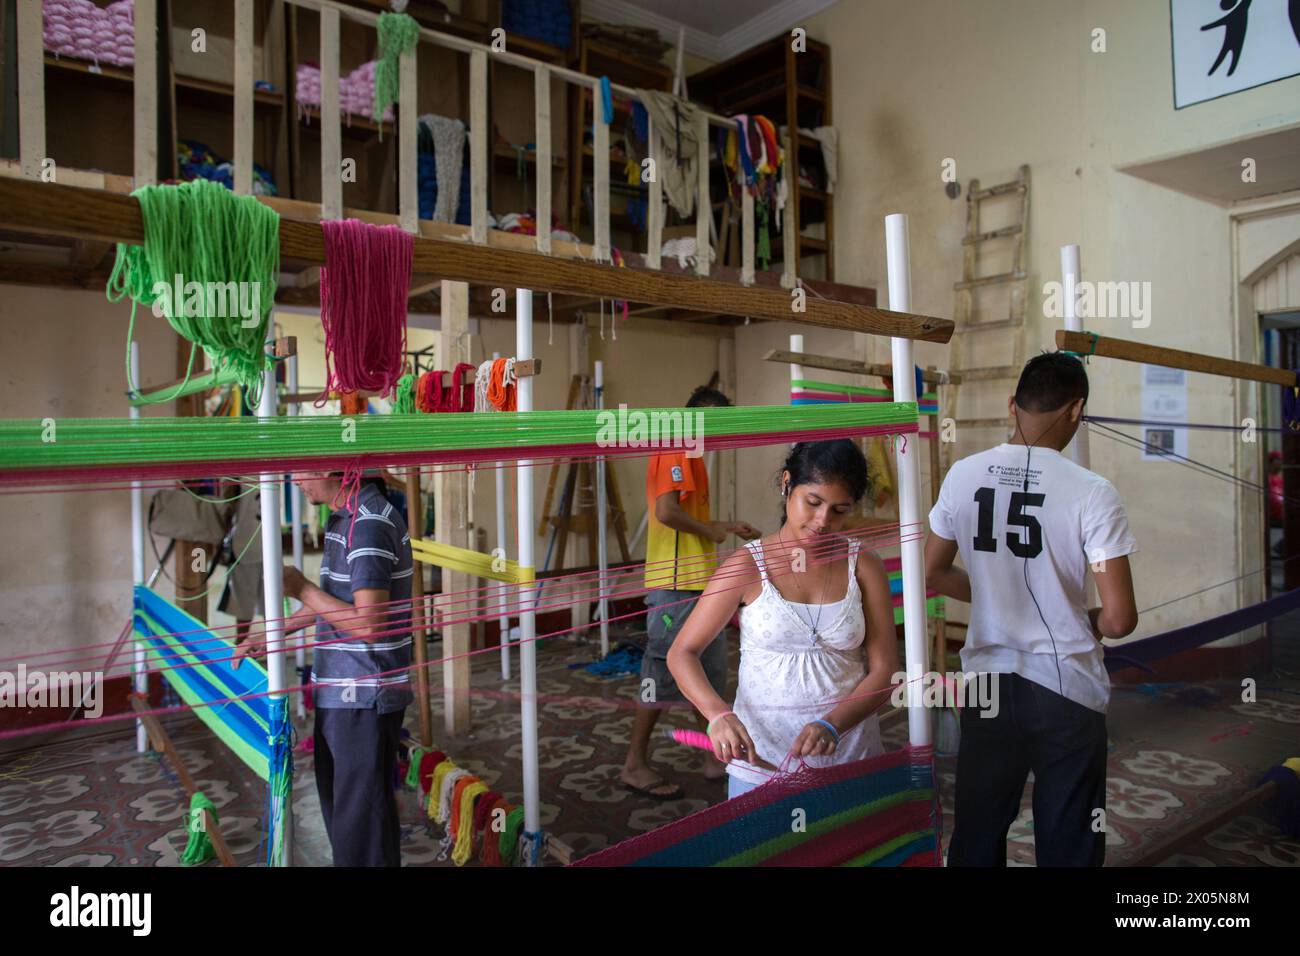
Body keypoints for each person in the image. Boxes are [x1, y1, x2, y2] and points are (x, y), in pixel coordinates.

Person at [924, 351, 1139, 867]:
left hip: (988, 685)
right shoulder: (1093, 493)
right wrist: (1079, 617)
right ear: (1076, 410)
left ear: (1010, 406)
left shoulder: (963, 475)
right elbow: (1120, 618)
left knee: (976, 830)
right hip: (1064, 690)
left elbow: (929, 572)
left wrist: (997, 595)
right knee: (1069, 836)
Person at [667, 440, 899, 799]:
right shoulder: (747, 567)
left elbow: (884, 669)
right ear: (787, 484)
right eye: (813, 502)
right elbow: (682, 652)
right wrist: (718, 715)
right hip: (762, 762)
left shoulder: (863, 565)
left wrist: (832, 725)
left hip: (851, 756)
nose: (823, 521)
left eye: (839, 509)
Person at [236, 470, 414, 867]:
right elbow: (335, 602)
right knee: (349, 810)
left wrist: (300, 587)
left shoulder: (368, 524)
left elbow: (368, 624)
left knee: (359, 820)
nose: (294, 480)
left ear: (337, 467)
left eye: (301, 469)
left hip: (364, 694)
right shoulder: (344, 517)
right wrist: (273, 632)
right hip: (343, 691)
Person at [620, 385, 761, 800]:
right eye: (712, 423)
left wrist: (727, 527)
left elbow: (685, 517)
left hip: (699, 581)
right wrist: (712, 530)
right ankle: (634, 763)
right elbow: (665, 512)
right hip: (675, 584)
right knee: (662, 674)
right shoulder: (677, 445)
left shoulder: (695, 456)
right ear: (695, 416)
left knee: (711, 671)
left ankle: (713, 756)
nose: (716, 434)